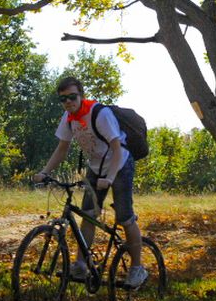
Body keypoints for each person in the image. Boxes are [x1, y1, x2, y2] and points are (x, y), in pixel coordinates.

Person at [33, 76, 147, 288]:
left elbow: (116, 148)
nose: (68, 102)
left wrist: (110, 178)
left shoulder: (100, 114)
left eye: (72, 97)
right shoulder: (69, 118)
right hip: (96, 167)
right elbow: (62, 149)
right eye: (63, 99)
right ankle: (80, 264)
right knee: (88, 215)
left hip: (120, 164)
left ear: (81, 96)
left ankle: (137, 268)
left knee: (125, 218)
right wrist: (44, 172)